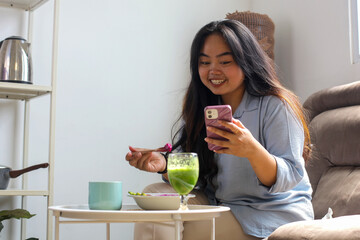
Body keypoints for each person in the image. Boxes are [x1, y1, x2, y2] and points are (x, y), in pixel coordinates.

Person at [125, 19, 314, 240]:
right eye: (204, 63)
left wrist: (252, 150)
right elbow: (198, 180)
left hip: (269, 213)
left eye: (225, 62)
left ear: (247, 62)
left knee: (174, 227)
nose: (213, 70)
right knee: (154, 196)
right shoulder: (203, 108)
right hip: (220, 204)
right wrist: (164, 164)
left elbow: (290, 175)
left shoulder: (277, 106)